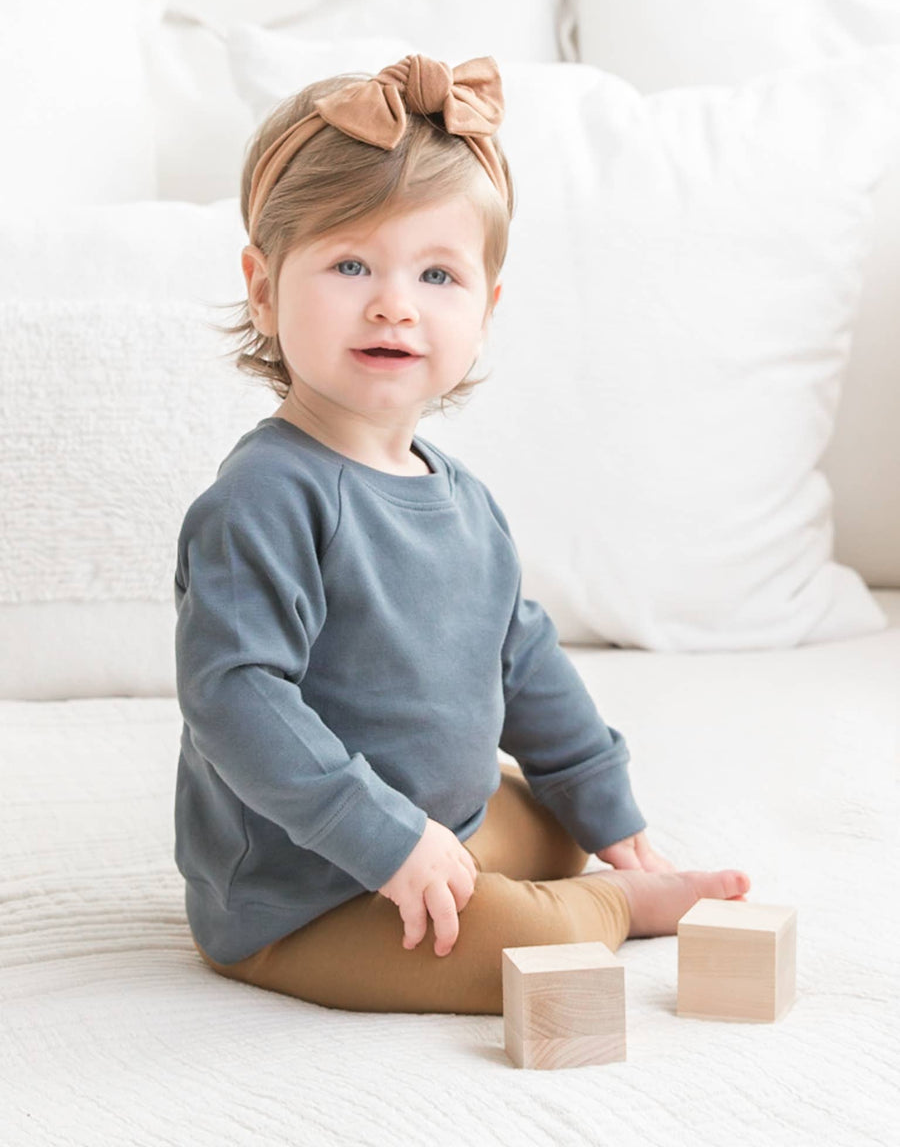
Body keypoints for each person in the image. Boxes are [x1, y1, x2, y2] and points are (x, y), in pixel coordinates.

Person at [173, 53, 750, 1016]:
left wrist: (603, 803)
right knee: (536, 941)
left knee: (559, 824)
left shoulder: (463, 498)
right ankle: (612, 909)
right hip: (310, 891)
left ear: (484, 311)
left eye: (437, 273)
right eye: (350, 264)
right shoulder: (262, 500)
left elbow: (521, 658)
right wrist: (387, 838)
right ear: (263, 289)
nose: (394, 303)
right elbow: (236, 700)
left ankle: (552, 868)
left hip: (446, 824)